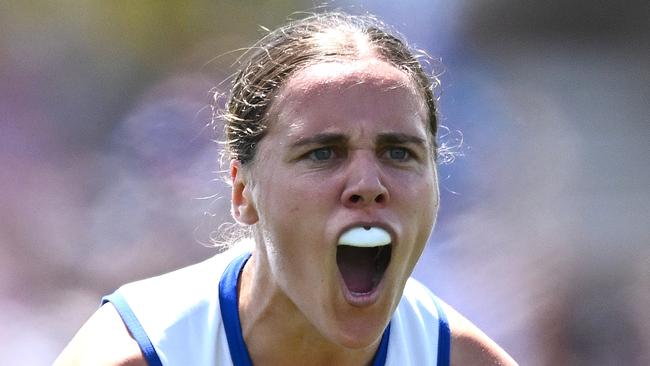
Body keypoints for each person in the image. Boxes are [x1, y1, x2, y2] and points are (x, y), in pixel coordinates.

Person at [55, 11, 516, 366]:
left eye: (399, 152)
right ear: (242, 192)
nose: (368, 185)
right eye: (323, 153)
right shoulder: (137, 356)